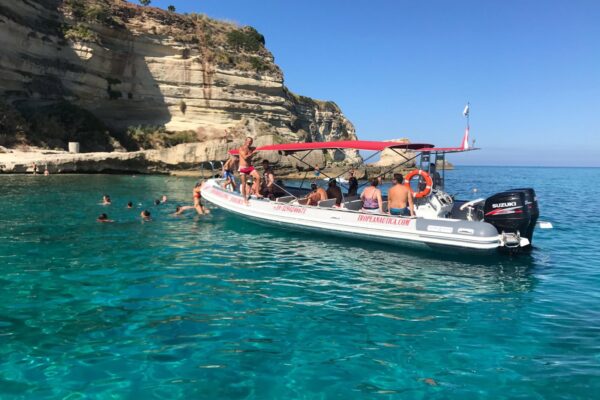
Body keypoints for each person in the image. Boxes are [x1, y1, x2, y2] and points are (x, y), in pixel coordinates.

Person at [238, 137, 262, 203]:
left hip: (249, 167)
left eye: (250, 141)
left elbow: (258, 148)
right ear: (245, 141)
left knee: (258, 177)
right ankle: (245, 199)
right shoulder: (241, 148)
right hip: (243, 168)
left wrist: (259, 149)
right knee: (244, 184)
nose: (249, 142)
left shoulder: (251, 148)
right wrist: (253, 153)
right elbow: (245, 157)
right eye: (248, 141)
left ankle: (257, 192)